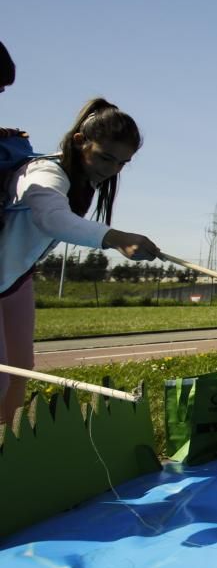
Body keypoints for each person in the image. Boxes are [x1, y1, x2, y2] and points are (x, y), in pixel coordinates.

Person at [1, 96, 159, 424]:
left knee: (20, 369)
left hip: (16, 281)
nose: (112, 169)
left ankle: (7, 445)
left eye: (122, 163)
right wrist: (116, 238)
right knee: (1, 377)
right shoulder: (45, 172)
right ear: (79, 141)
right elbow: (53, 219)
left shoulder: (82, 183)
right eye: (106, 157)